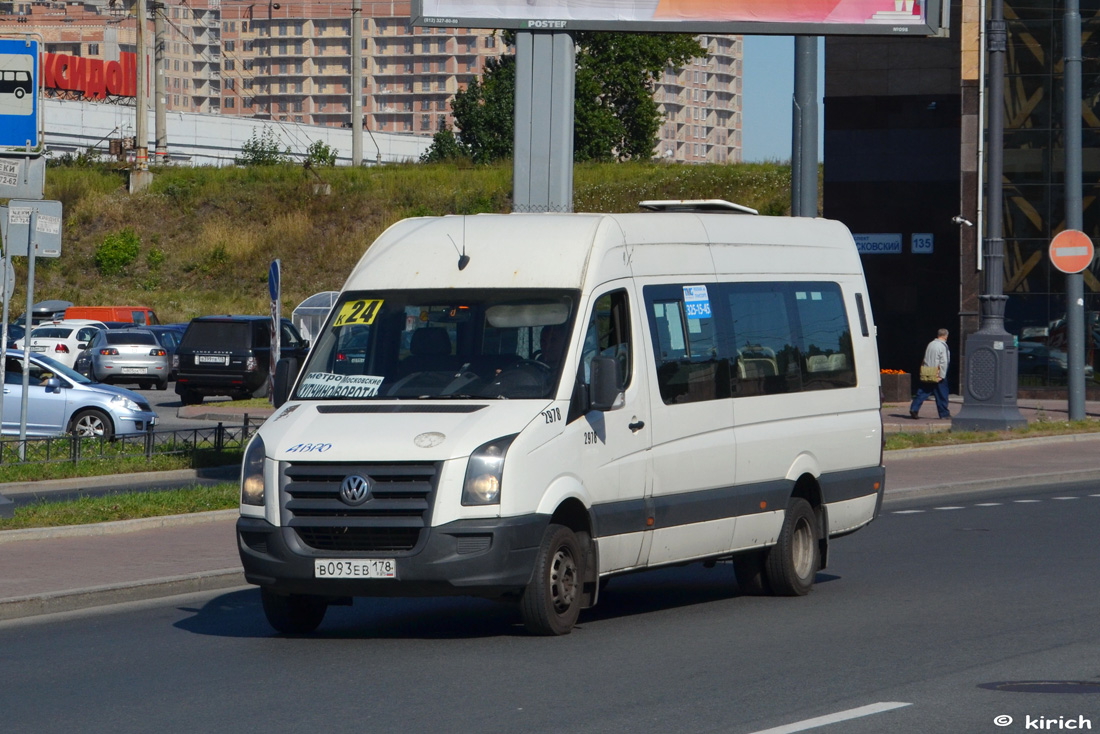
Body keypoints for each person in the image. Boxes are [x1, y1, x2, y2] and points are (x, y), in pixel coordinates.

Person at [909, 328, 950, 419]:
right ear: (946, 336)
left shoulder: (930, 344)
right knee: (942, 394)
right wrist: (942, 375)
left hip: (928, 372)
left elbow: (925, 358)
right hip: (937, 373)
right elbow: (944, 362)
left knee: (923, 392)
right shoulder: (943, 346)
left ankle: (914, 408)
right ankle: (944, 414)